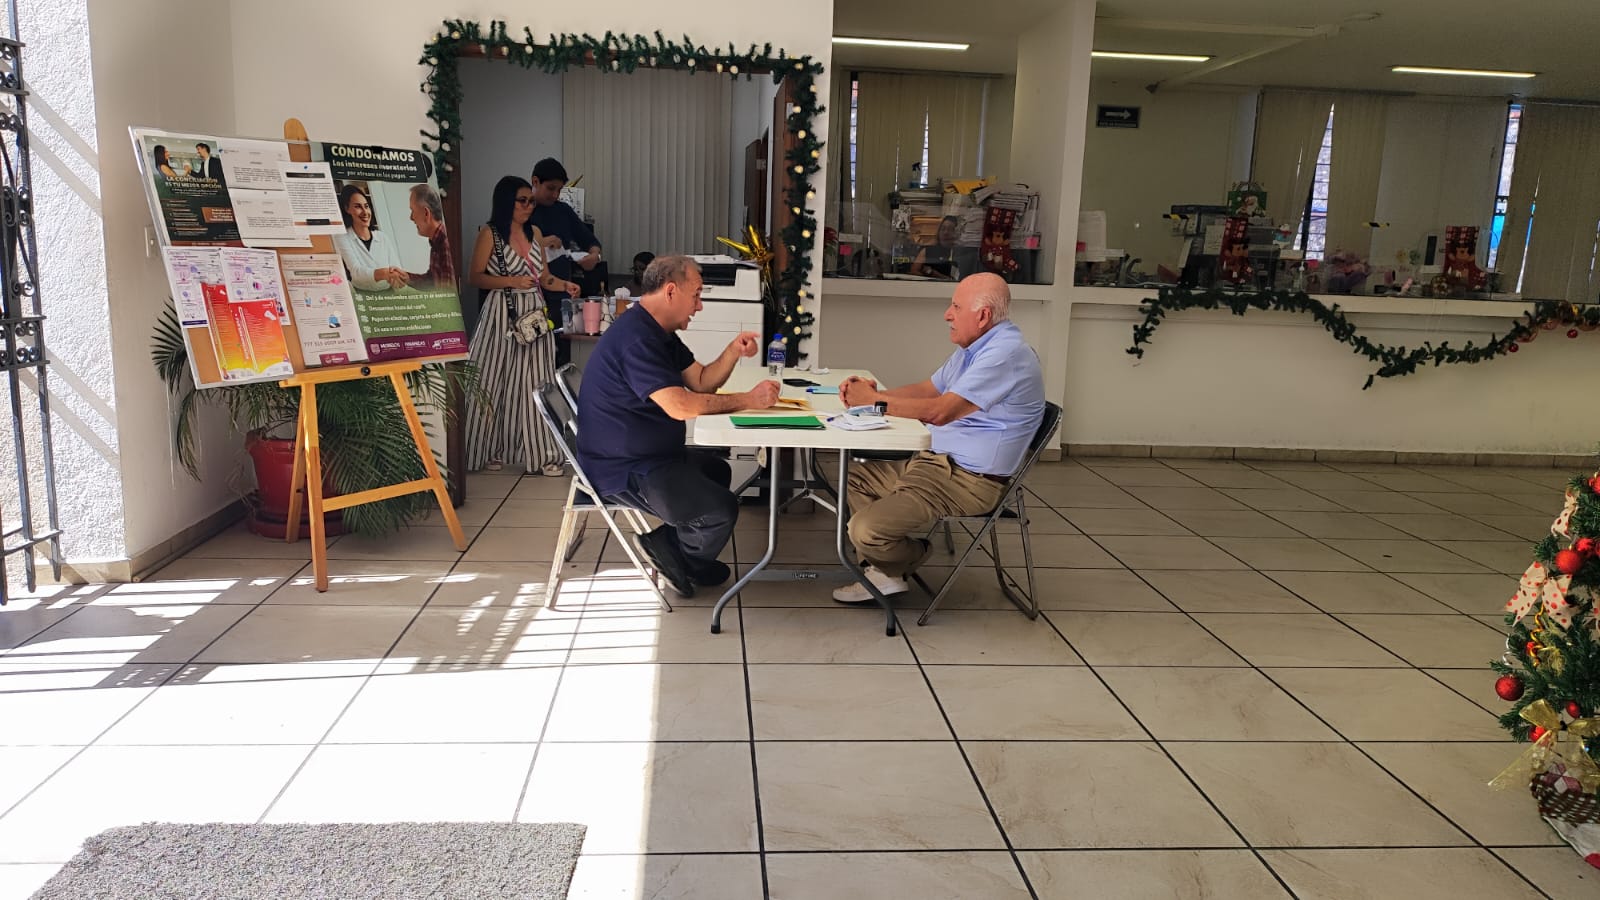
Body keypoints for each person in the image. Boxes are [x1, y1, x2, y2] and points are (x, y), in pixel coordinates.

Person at [833, 272, 1045, 604]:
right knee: (854, 478)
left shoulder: (1003, 355)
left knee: (864, 530)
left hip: (967, 480)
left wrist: (872, 403)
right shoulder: (975, 346)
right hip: (935, 464)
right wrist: (875, 396)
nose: (947, 314)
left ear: (983, 316)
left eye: (956, 307)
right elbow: (928, 389)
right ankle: (883, 572)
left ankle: (905, 558)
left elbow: (939, 411)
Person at [576, 255, 780, 597]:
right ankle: (680, 561)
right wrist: (748, 399)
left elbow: (700, 381)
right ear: (671, 291)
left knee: (716, 471)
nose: (699, 307)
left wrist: (732, 351)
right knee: (721, 509)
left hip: (648, 453)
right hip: (623, 467)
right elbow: (680, 406)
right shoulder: (637, 339)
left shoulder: (658, 331)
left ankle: (676, 552)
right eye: (697, 295)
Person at [465, 175, 582, 475]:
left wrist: (565, 285)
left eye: (530, 200)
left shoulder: (535, 232)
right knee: (491, 381)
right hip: (500, 313)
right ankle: (484, 449)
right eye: (522, 200)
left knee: (537, 383)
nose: (528, 206)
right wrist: (511, 281)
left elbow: (544, 278)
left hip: (533, 317)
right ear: (506, 202)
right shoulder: (490, 234)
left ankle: (544, 454)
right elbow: (475, 276)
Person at [331, 184, 408, 292]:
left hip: (389, 292)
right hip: (363, 295)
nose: (365, 212)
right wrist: (385, 273)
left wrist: (398, 276)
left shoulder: (382, 237)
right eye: (358, 206)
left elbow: (395, 267)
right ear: (347, 209)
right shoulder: (342, 237)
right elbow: (357, 273)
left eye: (366, 206)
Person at [406, 184, 455, 289]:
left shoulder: (445, 243)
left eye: (412, 211)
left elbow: (448, 295)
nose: (411, 217)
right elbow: (432, 280)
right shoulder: (436, 242)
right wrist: (405, 277)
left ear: (426, 213)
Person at [912, 215, 960, 279]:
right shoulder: (927, 250)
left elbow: (956, 280)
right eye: (943, 229)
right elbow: (914, 271)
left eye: (950, 229)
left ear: (956, 233)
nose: (946, 232)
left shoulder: (960, 253)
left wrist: (933, 273)